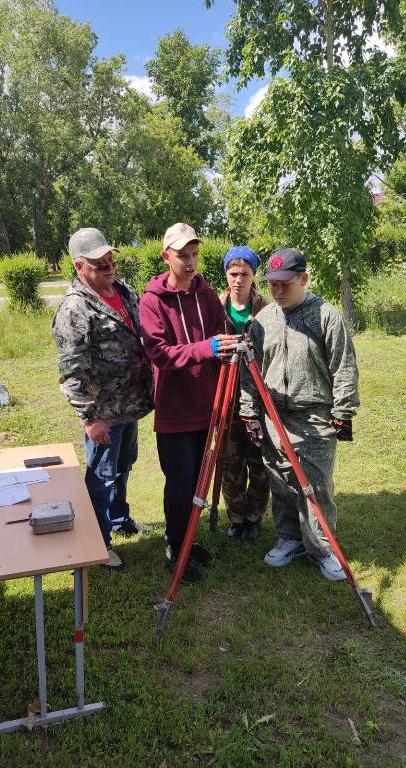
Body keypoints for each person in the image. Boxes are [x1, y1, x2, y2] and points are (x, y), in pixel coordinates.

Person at [240, 247, 359, 581]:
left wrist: (343, 410)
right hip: (274, 417)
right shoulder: (263, 320)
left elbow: (344, 365)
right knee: (281, 482)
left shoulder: (325, 316)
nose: (277, 291)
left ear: (303, 279)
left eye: (285, 284)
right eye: (272, 284)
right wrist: (249, 412)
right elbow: (250, 372)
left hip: (314, 417)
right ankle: (290, 538)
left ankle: (322, 548)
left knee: (316, 486)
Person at [139, 222, 239, 582]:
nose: (192, 262)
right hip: (174, 409)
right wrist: (206, 348)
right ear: (167, 256)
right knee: (179, 482)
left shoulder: (208, 296)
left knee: (198, 479)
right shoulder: (151, 302)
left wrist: (229, 343)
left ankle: (188, 540)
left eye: (195, 254)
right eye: (183, 255)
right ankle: (174, 548)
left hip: (207, 407)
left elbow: (222, 334)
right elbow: (160, 353)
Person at [52, 227, 154, 570]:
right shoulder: (75, 309)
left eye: (110, 257)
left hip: (130, 403)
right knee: (102, 476)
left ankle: (120, 519)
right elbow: (71, 371)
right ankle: (99, 541)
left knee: (124, 466)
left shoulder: (123, 291)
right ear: (80, 267)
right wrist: (90, 418)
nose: (109, 265)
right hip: (104, 413)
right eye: (99, 262)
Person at [219, 245, 270, 540]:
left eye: (244, 274)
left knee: (259, 460)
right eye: (233, 273)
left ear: (254, 275)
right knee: (230, 461)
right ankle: (235, 517)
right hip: (224, 396)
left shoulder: (266, 310)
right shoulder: (216, 307)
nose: (238, 279)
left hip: (259, 398)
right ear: (226, 274)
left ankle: (255, 516)